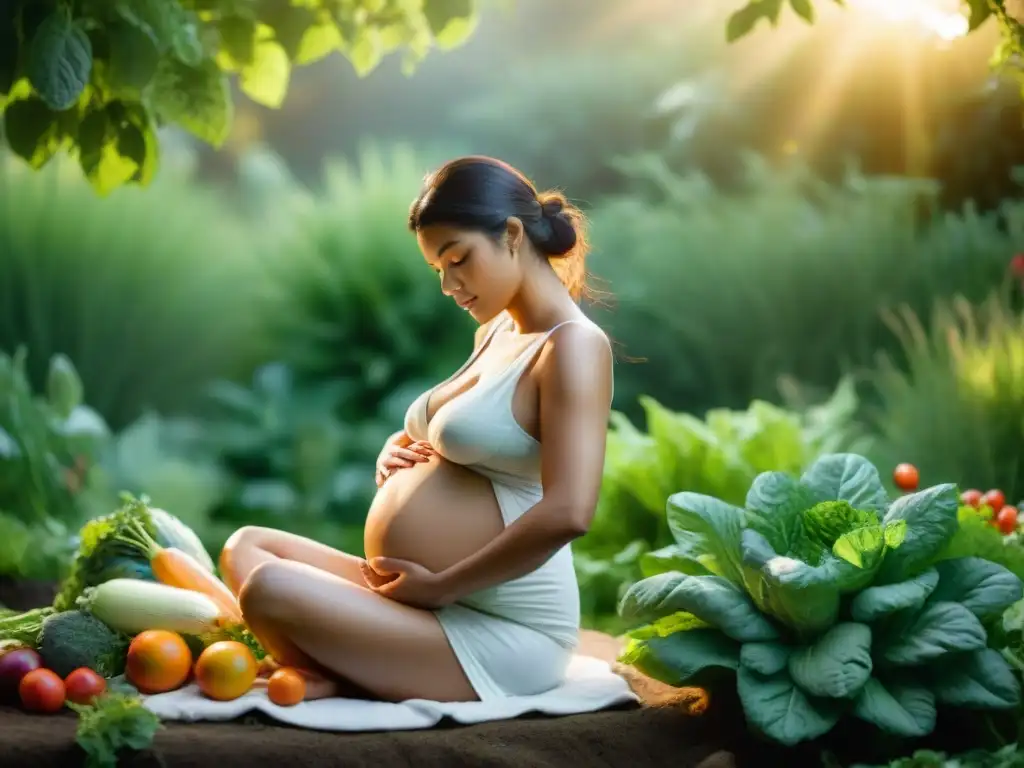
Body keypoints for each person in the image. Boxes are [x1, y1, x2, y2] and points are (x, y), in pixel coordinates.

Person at [218, 156, 614, 704]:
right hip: (422, 599)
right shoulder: (498, 329)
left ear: (513, 234)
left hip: (501, 628)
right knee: (248, 546)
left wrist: (442, 586)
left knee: (268, 586)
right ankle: (352, 665)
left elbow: (570, 511)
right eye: (439, 271)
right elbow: (481, 434)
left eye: (459, 260)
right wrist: (406, 443)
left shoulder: (573, 345)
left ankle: (343, 666)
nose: (450, 285)